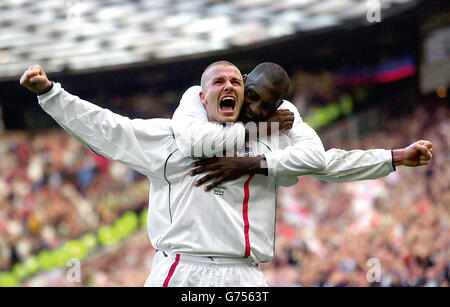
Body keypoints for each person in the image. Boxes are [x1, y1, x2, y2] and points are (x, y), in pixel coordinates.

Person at [20, 63, 432, 287]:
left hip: (245, 274)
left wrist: (393, 156)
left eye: (238, 80)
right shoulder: (172, 136)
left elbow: (328, 163)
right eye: (219, 81)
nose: (229, 86)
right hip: (181, 271)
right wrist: (51, 94)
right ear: (203, 96)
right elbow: (109, 128)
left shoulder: (271, 140)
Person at [171, 62, 432, 190]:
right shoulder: (201, 99)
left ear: (278, 104)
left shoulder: (283, 117)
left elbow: (320, 161)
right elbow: (194, 142)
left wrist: (395, 157)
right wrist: (259, 129)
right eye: (251, 96)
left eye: (266, 105)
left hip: (246, 264)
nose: (254, 109)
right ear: (244, 82)